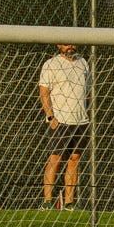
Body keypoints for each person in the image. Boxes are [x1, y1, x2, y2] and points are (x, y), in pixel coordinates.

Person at [38, 43, 90, 210]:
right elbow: (44, 92)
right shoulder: (51, 64)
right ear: (59, 45)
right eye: (66, 44)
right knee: (55, 159)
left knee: (74, 159)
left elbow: (87, 92)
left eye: (72, 43)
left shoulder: (83, 62)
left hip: (81, 121)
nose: (70, 47)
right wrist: (50, 116)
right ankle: (47, 201)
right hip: (60, 120)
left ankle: (69, 203)